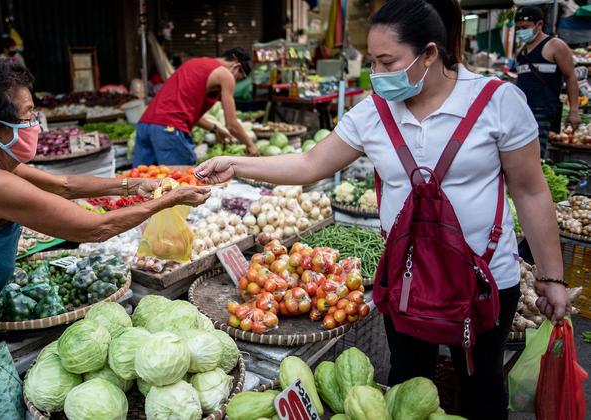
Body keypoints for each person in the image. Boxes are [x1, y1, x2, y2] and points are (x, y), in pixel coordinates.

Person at [196, 0, 569, 418]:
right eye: (372, 61)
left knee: (482, 387)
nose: (377, 74)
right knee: (407, 386)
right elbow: (309, 164)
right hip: (407, 281)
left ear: (429, 53)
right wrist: (238, 164)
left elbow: (531, 192)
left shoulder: (498, 101)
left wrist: (552, 277)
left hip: (484, 282)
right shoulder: (372, 113)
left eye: (387, 61)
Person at [0, 59, 210, 419]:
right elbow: (95, 228)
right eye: (28, 115)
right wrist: (169, 200)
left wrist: (131, 184)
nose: (35, 124)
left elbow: (65, 185)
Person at [133, 48, 260, 166]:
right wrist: (250, 145)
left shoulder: (194, 63)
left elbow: (185, 111)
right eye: (239, 78)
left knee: (141, 182)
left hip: (145, 125)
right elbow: (232, 125)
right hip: (170, 129)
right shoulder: (225, 75)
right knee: (181, 182)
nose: (235, 82)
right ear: (237, 67)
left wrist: (215, 129)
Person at [515, 5, 579, 155]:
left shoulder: (555, 46)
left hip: (543, 111)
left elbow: (570, 77)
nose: (521, 32)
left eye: (525, 27)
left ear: (539, 24)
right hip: (521, 112)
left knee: (536, 155)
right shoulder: (521, 51)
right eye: (518, 28)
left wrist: (574, 110)